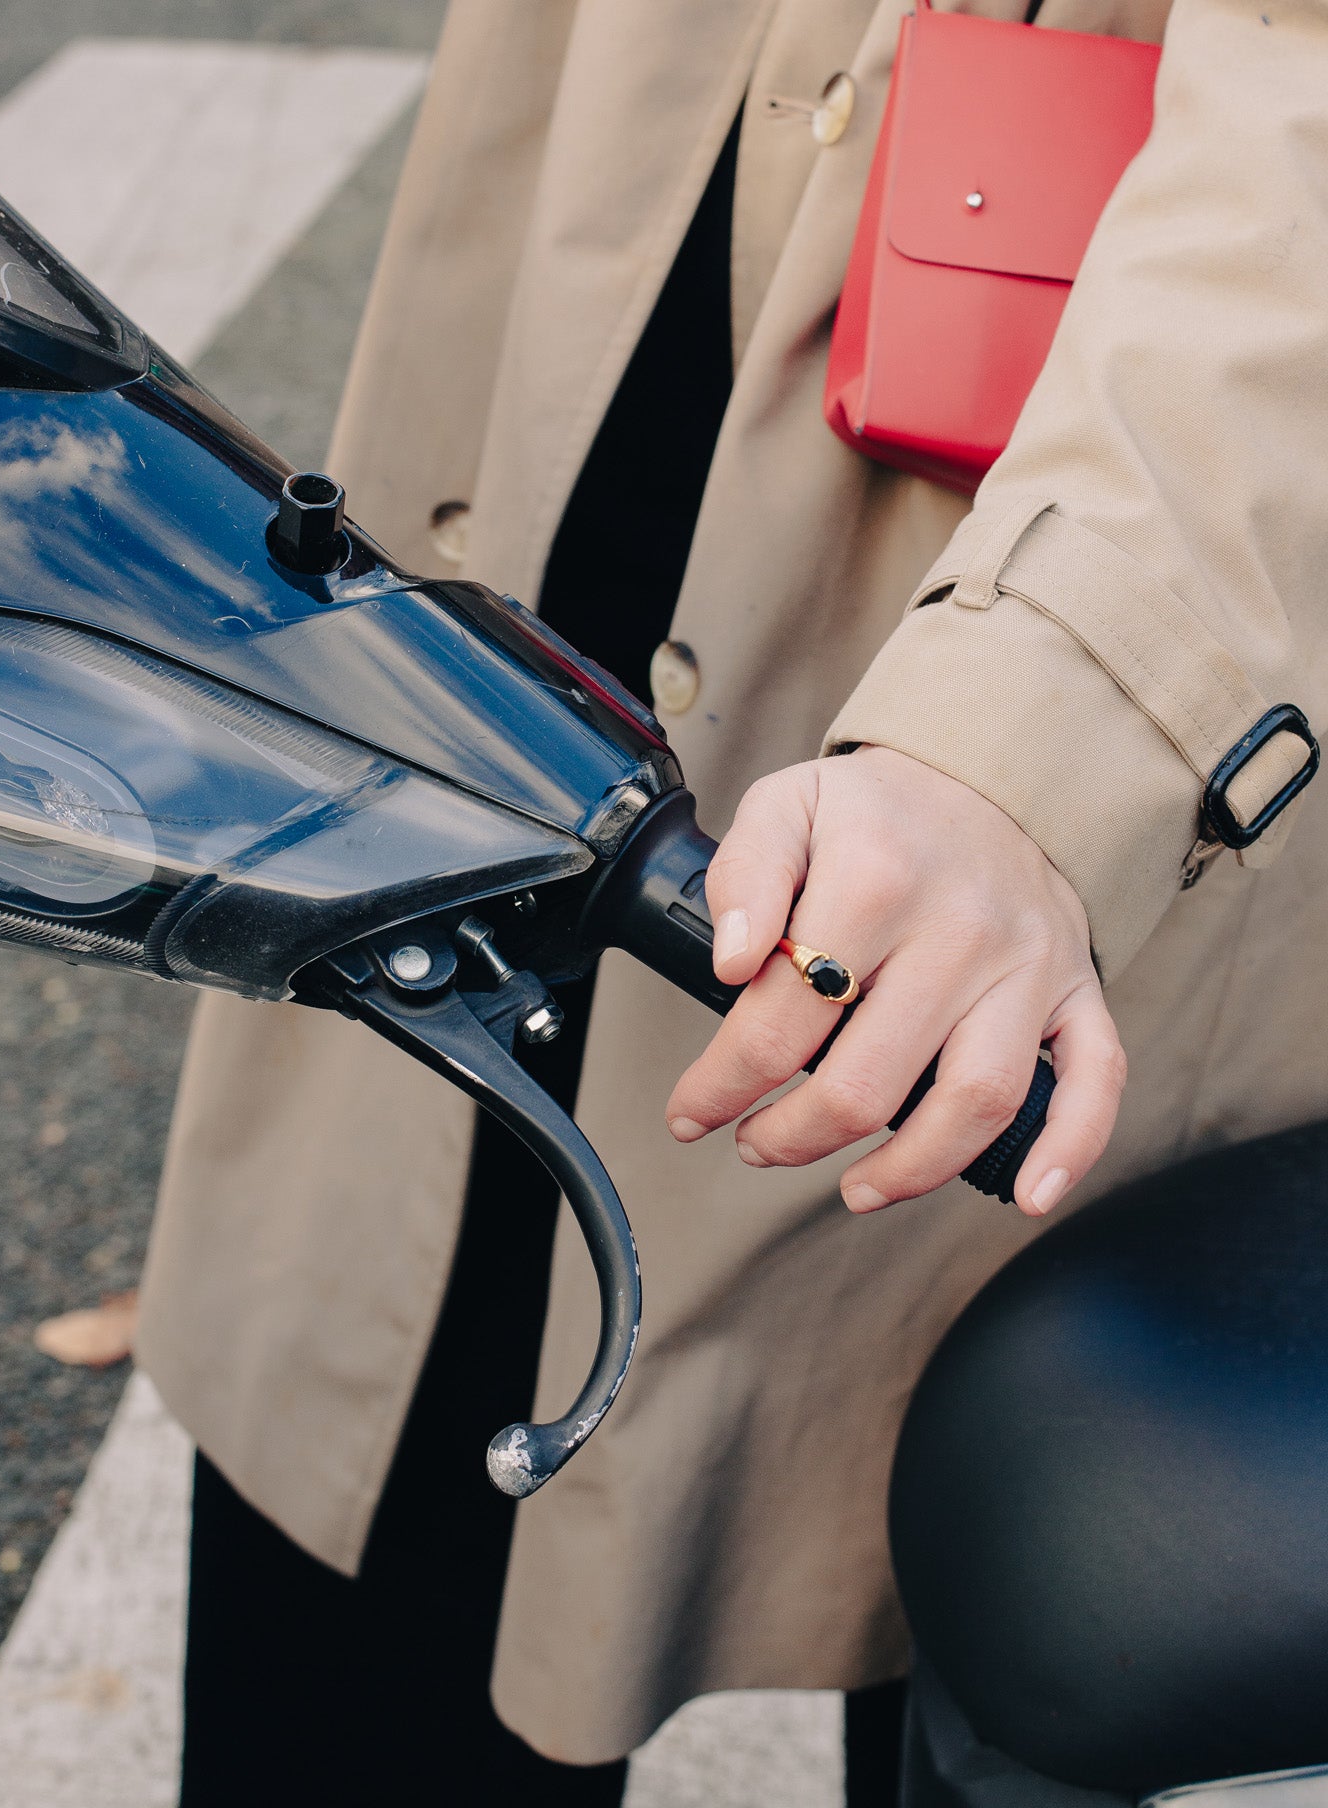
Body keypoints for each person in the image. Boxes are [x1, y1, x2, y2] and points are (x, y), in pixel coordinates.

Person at [135, 0, 1328, 1800]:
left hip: (1082, 520)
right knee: (391, 1415)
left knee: (1013, 1547)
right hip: (561, 387)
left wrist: (1047, 716)